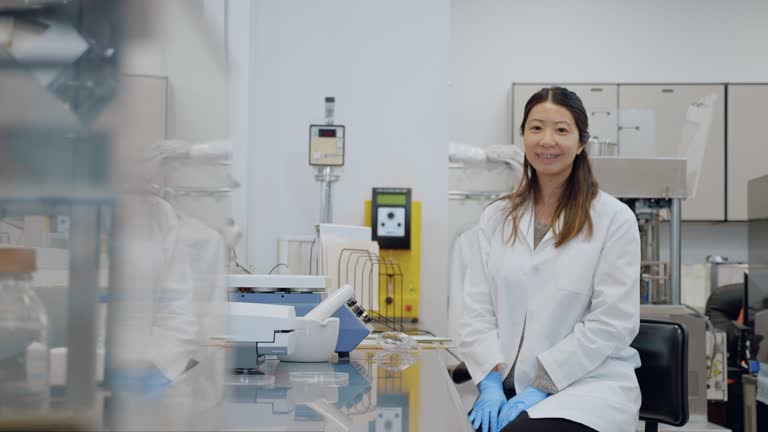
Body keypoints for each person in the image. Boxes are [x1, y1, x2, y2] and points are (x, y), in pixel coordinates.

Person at [459, 86, 641, 432]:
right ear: (524, 136)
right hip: (505, 385)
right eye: (536, 128)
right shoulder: (497, 217)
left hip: (585, 387)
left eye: (561, 130)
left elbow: (612, 323)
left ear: (581, 142)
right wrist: (490, 382)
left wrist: (542, 385)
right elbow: (476, 310)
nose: (547, 141)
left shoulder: (613, 219)